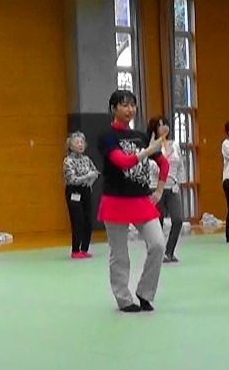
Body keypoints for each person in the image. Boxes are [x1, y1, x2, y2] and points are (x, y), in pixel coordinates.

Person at [97, 89, 168, 313]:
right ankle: (123, 298)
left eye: (132, 105)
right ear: (114, 108)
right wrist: (147, 152)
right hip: (115, 201)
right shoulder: (107, 136)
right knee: (119, 254)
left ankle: (145, 292)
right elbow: (122, 162)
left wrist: (159, 190)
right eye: (124, 105)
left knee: (158, 244)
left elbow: (164, 163)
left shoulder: (140, 136)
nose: (129, 110)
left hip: (141, 201)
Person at [147, 116, 184, 263]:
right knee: (158, 222)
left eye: (166, 124)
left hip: (172, 187)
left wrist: (178, 182)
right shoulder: (151, 145)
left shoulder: (175, 145)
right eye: (160, 125)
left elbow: (180, 165)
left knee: (178, 219)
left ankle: (170, 251)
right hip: (155, 187)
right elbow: (149, 166)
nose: (164, 128)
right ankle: (158, 253)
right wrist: (161, 167)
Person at [63, 131, 99, 260]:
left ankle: (85, 248)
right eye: (77, 142)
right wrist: (86, 176)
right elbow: (72, 179)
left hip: (86, 190)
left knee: (88, 221)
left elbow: (95, 172)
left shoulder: (87, 159)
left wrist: (90, 180)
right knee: (78, 221)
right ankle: (75, 249)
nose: (80, 144)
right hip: (74, 191)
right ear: (71, 145)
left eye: (82, 142)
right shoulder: (68, 160)